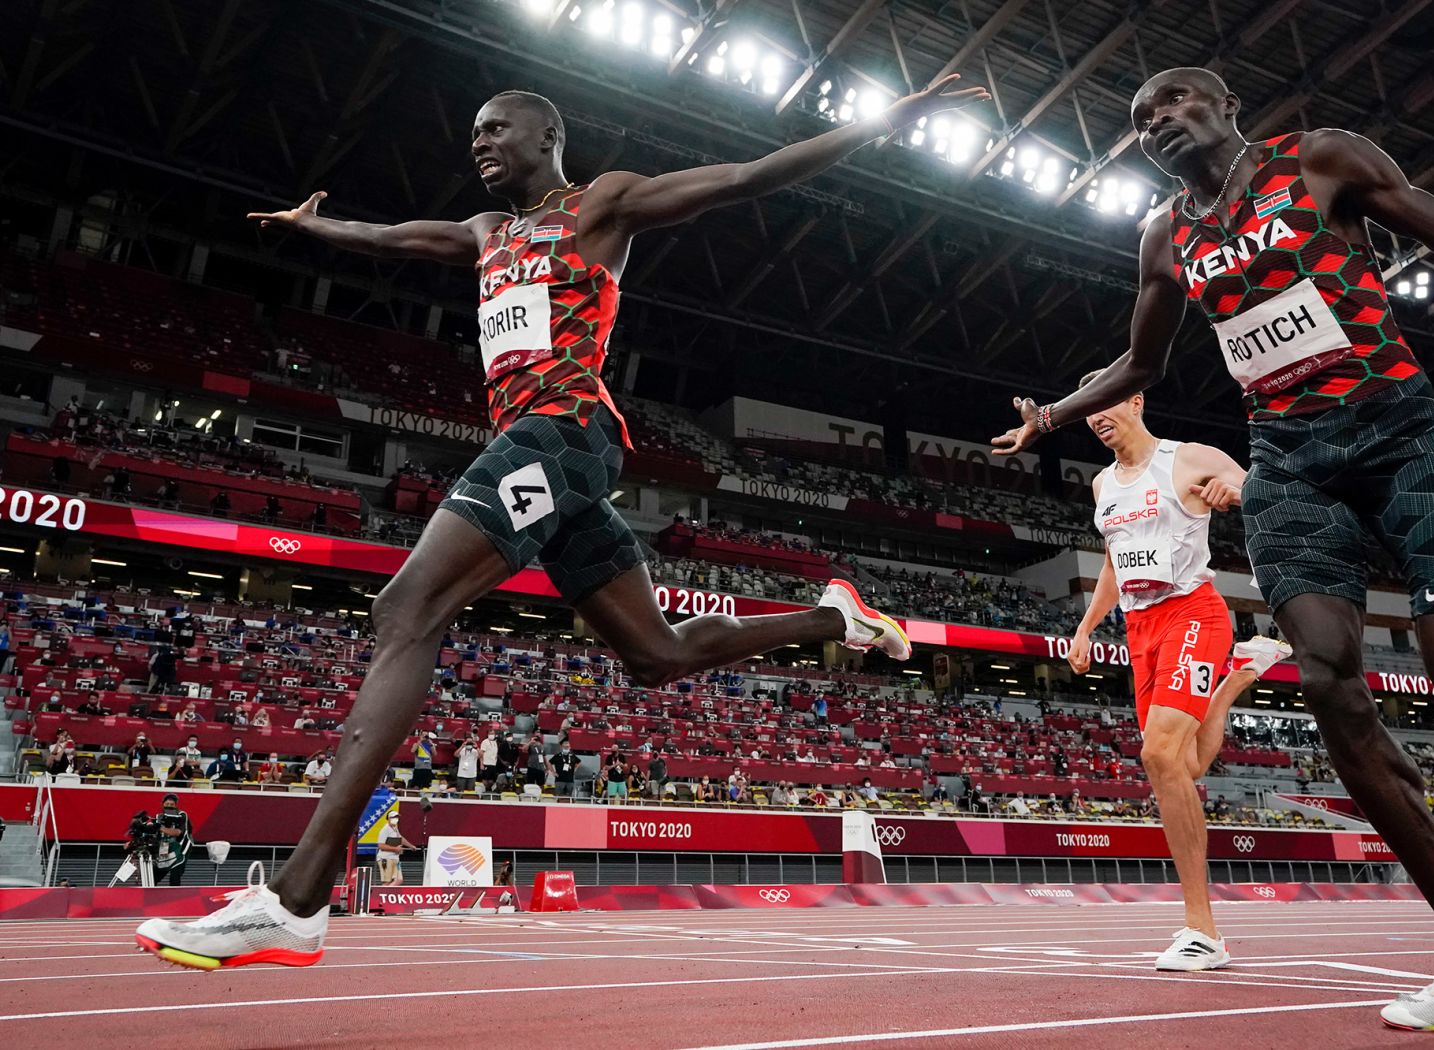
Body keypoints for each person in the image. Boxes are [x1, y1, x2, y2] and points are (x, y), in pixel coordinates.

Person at [138, 76, 988, 969]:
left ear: (548, 137)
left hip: (567, 432)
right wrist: (315, 225)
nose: (478, 140)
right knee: (655, 656)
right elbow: (393, 240)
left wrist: (889, 120)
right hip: (551, 457)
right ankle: (834, 617)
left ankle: (298, 897)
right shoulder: (485, 232)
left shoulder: (602, 205)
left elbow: (748, 176)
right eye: (472, 130)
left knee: (406, 610)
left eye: (496, 126)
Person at [991, 66, 1434, 1030]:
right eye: (1140, 120)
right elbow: (1142, 361)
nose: (1158, 123)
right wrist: (1053, 412)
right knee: (1333, 689)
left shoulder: (1321, 162)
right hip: (1291, 465)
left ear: (1224, 105)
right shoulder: (1168, 233)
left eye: (1173, 102)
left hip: (1399, 436)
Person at [1063, 368, 1292, 970]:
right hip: (1140, 628)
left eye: (1106, 403)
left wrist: (1233, 494)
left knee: (1160, 756)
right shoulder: (1102, 485)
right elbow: (1114, 562)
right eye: (1088, 410)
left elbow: (1264, 492)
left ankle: (1202, 930)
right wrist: (1087, 627)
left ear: (1135, 400)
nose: (1096, 417)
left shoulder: (1188, 459)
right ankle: (1240, 674)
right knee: (1184, 763)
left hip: (1194, 611)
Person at [152, 794, 192, 886]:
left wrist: (161, 828)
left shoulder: (182, 815)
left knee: (175, 877)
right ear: (162, 804)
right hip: (164, 846)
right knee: (156, 874)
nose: (169, 806)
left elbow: (178, 832)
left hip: (180, 848)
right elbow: (153, 833)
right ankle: (150, 895)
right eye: (167, 803)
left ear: (176, 805)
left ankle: (175, 897)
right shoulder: (159, 816)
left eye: (172, 804)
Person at [374, 810, 410, 886]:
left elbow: (401, 839)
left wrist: (411, 846)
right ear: (389, 818)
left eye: (397, 817)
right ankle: (382, 895)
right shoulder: (385, 830)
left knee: (399, 880)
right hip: (385, 858)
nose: (396, 819)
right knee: (387, 881)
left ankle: (384, 894)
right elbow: (380, 845)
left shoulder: (395, 828)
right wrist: (395, 849)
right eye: (394, 817)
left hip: (395, 858)